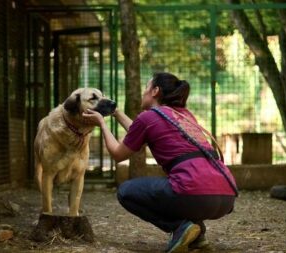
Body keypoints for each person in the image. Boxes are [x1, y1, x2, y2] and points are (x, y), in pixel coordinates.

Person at [83, 72, 237, 253]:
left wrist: (101, 123)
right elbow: (138, 131)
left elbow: (118, 154)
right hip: (226, 196)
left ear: (155, 91)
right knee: (182, 190)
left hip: (195, 193)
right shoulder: (183, 115)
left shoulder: (148, 118)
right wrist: (116, 112)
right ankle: (197, 235)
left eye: (146, 87)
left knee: (126, 191)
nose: (143, 92)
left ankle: (179, 227)